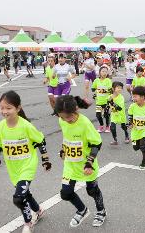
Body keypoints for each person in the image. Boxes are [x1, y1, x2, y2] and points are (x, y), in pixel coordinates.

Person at [0, 91, 51, 233]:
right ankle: (39, 210)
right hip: (14, 167)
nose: (4, 111)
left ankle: (28, 222)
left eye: (8, 108)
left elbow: (40, 141)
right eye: (2, 108)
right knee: (25, 193)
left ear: (18, 108)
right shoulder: (0, 127)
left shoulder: (26, 126)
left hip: (28, 165)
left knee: (18, 198)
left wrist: (45, 159)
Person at [55, 95, 107, 228]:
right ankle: (82, 210)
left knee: (92, 190)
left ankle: (101, 211)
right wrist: (63, 149)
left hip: (86, 164)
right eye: (61, 117)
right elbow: (67, 137)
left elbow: (97, 143)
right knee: (65, 193)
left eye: (68, 117)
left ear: (75, 110)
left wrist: (89, 162)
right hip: (70, 165)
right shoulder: (62, 120)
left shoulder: (84, 123)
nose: (66, 120)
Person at [128, 86, 145, 168]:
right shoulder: (132, 106)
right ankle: (137, 146)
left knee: (143, 146)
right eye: (133, 96)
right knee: (135, 147)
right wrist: (130, 123)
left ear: (143, 97)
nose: (134, 98)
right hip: (135, 131)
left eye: (135, 96)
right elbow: (130, 116)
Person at [92, 66, 112, 133]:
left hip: (106, 101)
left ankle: (107, 127)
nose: (104, 73)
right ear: (99, 72)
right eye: (103, 71)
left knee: (106, 115)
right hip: (99, 101)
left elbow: (110, 90)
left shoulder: (108, 81)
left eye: (106, 71)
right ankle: (101, 126)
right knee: (98, 114)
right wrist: (95, 93)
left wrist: (103, 90)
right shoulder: (96, 80)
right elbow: (93, 88)